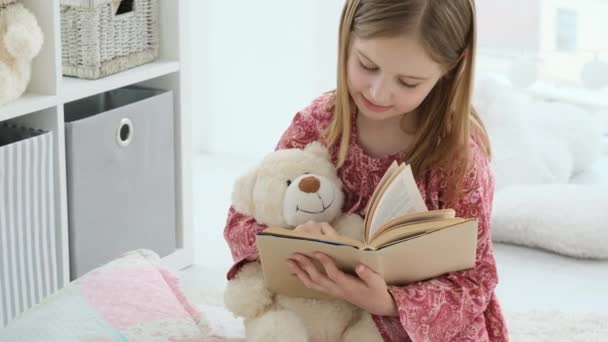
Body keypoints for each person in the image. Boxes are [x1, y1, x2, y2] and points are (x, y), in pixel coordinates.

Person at [224, 0, 509, 340]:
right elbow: (242, 218)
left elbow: (475, 280)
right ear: (347, 38)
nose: (378, 92)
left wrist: (389, 301)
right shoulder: (318, 124)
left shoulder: (458, 159)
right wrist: (289, 238)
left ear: (450, 69)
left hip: (406, 326)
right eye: (367, 65)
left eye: (408, 82)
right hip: (322, 311)